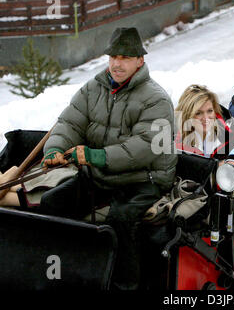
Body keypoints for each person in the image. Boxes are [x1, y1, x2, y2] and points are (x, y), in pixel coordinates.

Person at [39, 27, 177, 290]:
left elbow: (145, 147)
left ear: (140, 61)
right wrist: (54, 150)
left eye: (125, 57)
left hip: (145, 178)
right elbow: (70, 123)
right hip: (103, 174)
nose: (117, 63)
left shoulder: (155, 99)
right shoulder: (94, 88)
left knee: (120, 219)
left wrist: (95, 156)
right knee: (52, 203)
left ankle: (126, 286)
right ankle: (63, 273)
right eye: (113, 56)